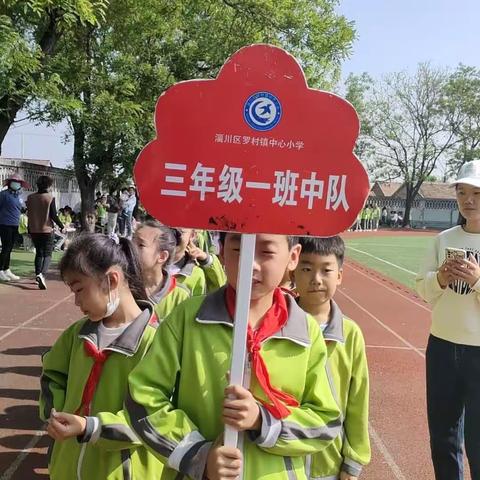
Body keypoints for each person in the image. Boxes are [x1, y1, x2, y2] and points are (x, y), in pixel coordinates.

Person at [125, 232, 342, 479]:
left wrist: (263, 421)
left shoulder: (305, 331)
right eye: (238, 249)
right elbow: (141, 399)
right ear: (221, 251)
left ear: (292, 257)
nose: (251, 262)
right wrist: (199, 457)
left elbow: (326, 422)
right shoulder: (187, 319)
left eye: (267, 252)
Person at [39, 233, 163, 479]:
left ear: (111, 280)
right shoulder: (76, 334)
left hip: (119, 471)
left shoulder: (155, 343)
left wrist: (91, 427)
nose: (76, 301)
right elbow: (53, 375)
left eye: (80, 289)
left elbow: (156, 420)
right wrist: (55, 412)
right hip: (67, 467)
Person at [416, 160, 480, 480]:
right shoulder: (443, 239)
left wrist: (477, 280)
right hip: (441, 345)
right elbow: (425, 290)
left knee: (478, 441)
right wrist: (440, 278)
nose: (468, 200)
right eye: (462, 192)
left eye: (477, 193)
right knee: (443, 436)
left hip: (478, 351)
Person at [293, 236, 371, 480]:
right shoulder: (277, 325)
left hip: (328, 463)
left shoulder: (350, 334)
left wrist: (354, 460)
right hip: (281, 457)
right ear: (292, 269)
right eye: (306, 269)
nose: (316, 279)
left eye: (326, 270)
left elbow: (358, 400)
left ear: (339, 275)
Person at [133, 220, 190, 324]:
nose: (131, 248)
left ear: (162, 256)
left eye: (140, 245)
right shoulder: (123, 286)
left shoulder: (180, 296)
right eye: (132, 241)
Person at [26, 175, 64, 290]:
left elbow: (30, 213)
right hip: (47, 230)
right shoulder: (50, 198)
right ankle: (42, 274)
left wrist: (29, 228)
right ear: (49, 185)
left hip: (34, 229)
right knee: (47, 254)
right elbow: (53, 215)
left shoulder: (30, 198)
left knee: (39, 253)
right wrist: (62, 226)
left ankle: (37, 274)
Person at [0, 173, 29, 281]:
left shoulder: (18, 196)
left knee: (10, 248)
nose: (16, 183)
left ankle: (6, 269)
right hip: (4, 224)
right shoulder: (3, 195)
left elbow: (20, 209)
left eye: (18, 182)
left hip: (14, 224)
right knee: (6, 248)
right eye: (14, 181)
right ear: (9, 183)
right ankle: (0, 270)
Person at [169, 227, 207, 295]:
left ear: (192, 235)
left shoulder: (196, 275)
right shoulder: (147, 265)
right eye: (169, 230)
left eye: (180, 232)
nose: (173, 236)